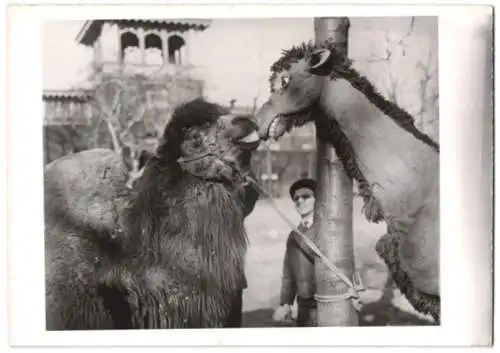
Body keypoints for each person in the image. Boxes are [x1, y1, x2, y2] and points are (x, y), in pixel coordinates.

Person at [273, 178, 318, 327]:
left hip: (325, 302)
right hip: (303, 303)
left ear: (316, 200)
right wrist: (286, 303)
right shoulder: (293, 236)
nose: (300, 201)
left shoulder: (327, 229)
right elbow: (288, 274)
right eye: (296, 198)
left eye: (306, 197)